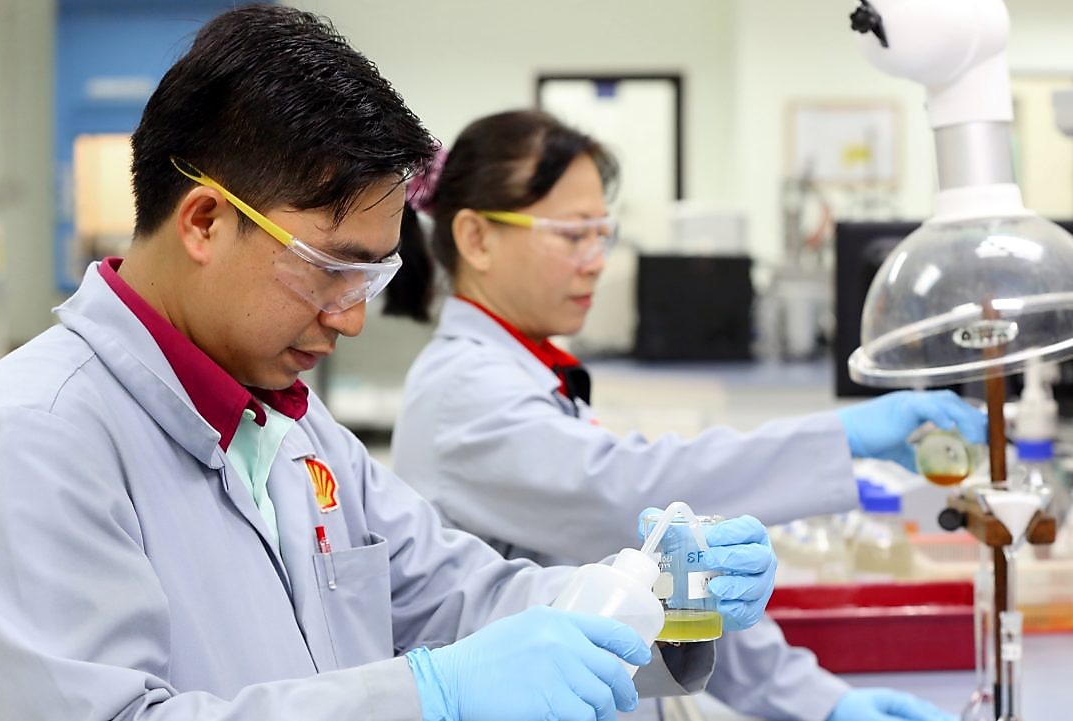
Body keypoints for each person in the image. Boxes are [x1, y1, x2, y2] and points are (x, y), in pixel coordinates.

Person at [0, 8, 780, 721]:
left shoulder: (292, 425)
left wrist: (656, 604)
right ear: (204, 222)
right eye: (333, 266)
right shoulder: (35, 436)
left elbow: (459, 595)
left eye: (375, 274)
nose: (356, 315)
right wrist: (430, 696)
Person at [385, 109, 983, 721]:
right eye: (572, 234)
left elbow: (672, 570)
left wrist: (824, 702)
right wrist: (841, 437)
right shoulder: (463, 392)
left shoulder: (529, 372)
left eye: (603, 233)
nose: (596, 260)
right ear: (477, 238)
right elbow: (628, 492)